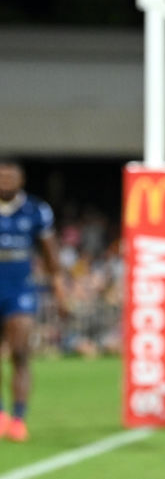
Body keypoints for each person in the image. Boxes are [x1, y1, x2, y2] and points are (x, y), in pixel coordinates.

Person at [0, 159, 68, 442]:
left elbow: (50, 252)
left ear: (21, 180)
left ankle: (18, 418)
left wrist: (59, 288)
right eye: (1, 177)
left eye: (10, 177)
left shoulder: (36, 210)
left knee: (20, 352)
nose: (5, 181)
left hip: (20, 290)